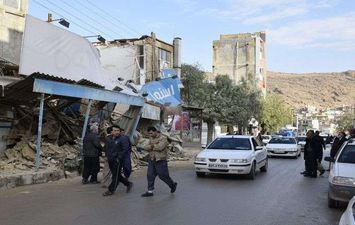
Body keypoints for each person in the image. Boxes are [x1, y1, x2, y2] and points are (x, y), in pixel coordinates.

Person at [141, 126, 177, 197]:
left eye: (151, 133)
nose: (150, 135)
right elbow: (145, 147)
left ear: (155, 132)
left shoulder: (163, 138)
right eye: (149, 134)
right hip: (152, 159)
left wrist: (151, 146)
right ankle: (150, 191)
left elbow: (160, 147)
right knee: (150, 175)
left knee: (163, 176)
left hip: (161, 160)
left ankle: (172, 185)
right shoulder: (151, 138)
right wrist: (153, 146)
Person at [103, 125, 133, 196]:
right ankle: (128, 184)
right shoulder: (108, 138)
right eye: (115, 131)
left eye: (118, 131)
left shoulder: (123, 139)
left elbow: (125, 150)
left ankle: (111, 190)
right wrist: (106, 156)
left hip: (118, 160)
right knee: (116, 175)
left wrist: (118, 158)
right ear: (111, 131)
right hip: (110, 159)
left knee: (115, 176)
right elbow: (106, 148)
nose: (117, 132)